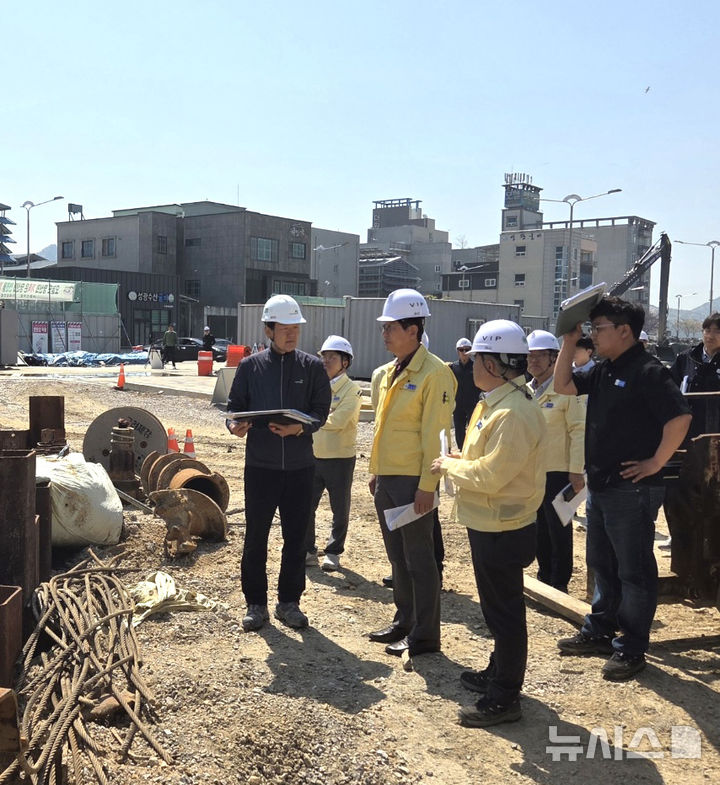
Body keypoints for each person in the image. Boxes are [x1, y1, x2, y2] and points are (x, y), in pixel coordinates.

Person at [554, 296, 691, 681]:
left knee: (634, 571)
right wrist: (569, 341)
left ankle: (631, 648)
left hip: (632, 489)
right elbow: (563, 385)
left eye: (599, 329)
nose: (593, 336)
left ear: (624, 331)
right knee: (603, 564)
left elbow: (680, 417)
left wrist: (656, 462)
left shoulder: (647, 371)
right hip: (602, 484)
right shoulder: (603, 369)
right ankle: (600, 631)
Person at [431, 320, 546, 728]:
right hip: (490, 521)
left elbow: (494, 476)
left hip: (504, 525)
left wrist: (449, 466)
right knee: (498, 609)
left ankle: (505, 697)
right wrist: (461, 460)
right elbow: (486, 462)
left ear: (495, 364)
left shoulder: (513, 412)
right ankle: (498, 673)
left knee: (505, 613)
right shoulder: (494, 401)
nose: (471, 365)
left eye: (478, 358)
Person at [227, 295, 331, 631]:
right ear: (269, 329)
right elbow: (234, 409)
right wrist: (235, 426)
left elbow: (321, 412)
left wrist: (299, 427)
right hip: (261, 466)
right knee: (255, 536)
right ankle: (255, 604)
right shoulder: (250, 367)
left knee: (296, 537)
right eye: (284, 329)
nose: (291, 334)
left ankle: (289, 602)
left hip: (301, 467)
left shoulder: (312, 367)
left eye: (295, 329)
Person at [367, 289, 455, 659]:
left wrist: (427, 487)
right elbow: (381, 428)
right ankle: (404, 620)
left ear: (414, 330)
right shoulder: (386, 374)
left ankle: (425, 635)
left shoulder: (436, 374)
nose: (384, 333)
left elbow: (436, 437)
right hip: (388, 481)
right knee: (397, 558)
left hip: (413, 484)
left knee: (419, 559)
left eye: (391, 327)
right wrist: (375, 472)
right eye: (384, 327)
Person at [526, 330, 585, 593]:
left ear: (554, 358)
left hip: (559, 471)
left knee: (558, 527)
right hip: (533, 471)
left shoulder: (565, 390)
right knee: (538, 526)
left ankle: (559, 581)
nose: (534, 361)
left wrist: (575, 471)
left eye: (540, 356)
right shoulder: (527, 391)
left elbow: (578, 430)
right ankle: (544, 574)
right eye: (530, 356)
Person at [305, 335, 363, 572]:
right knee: (307, 506)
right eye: (324, 356)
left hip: (339, 458)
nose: (326, 361)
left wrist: (314, 418)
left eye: (332, 357)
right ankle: (308, 550)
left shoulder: (352, 390)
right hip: (312, 455)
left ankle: (333, 552)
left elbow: (338, 420)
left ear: (345, 362)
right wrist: (318, 416)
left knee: (340, 508)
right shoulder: (315, 385)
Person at [669, 312, 720, 439]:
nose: (711, 336)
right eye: (707, 330)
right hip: (689, 430)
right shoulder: (686, 358)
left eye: (717, 331)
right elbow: (669, 387)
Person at [449, 337, 479, 450]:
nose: (464, 352)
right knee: (459, 429)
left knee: (473, 428)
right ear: (458, 351)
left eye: (467, 349)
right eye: (461, 350)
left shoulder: (476, 367)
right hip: (458, 405)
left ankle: (472, 449)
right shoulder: (452, 368)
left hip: (473, 404)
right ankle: (462, 450)